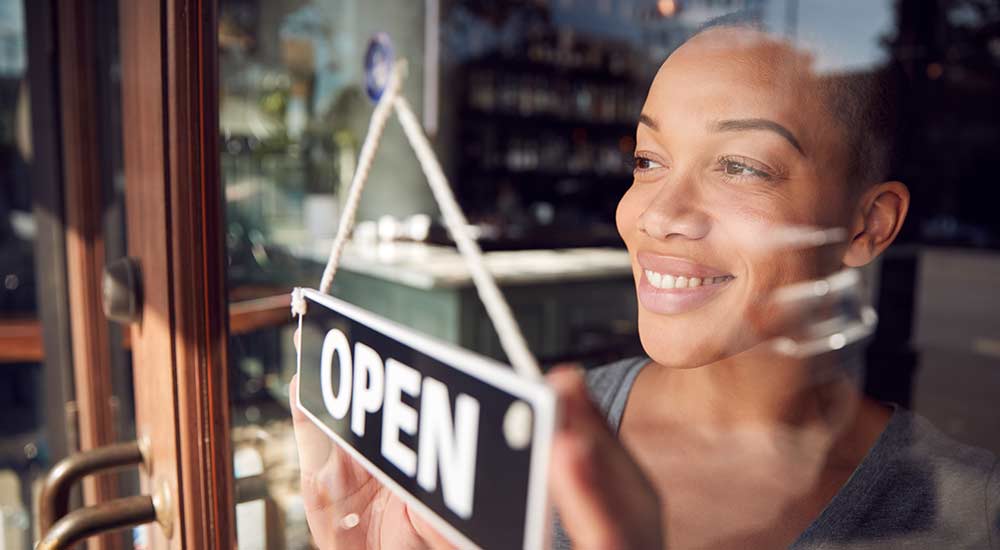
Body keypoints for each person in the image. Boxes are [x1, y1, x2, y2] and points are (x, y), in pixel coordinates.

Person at [290, 21, 1000, 550]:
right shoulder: (527, 439)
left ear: (867, 224)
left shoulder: (969, 516)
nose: (655, 214)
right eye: (648, 158)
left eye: (740, 167)